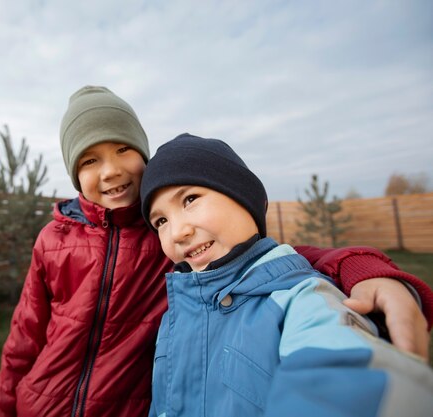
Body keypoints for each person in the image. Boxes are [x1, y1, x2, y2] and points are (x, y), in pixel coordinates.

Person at [0, 86, 433, 417]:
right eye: (89, 160)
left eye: (122, 149)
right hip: (41, 402)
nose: (110, 171)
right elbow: (26, 330)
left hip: (121, 405)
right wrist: (9, 399)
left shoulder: (161, 239)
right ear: (74, 172)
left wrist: (360, 265)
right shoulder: (54, 237)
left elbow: (269, 262)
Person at [140, 133, 433, 417]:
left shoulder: (300, 298)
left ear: (244, 199)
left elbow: (345, 384)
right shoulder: (176, 314)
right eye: (161, 220)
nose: (178, 232)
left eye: (190, 199)